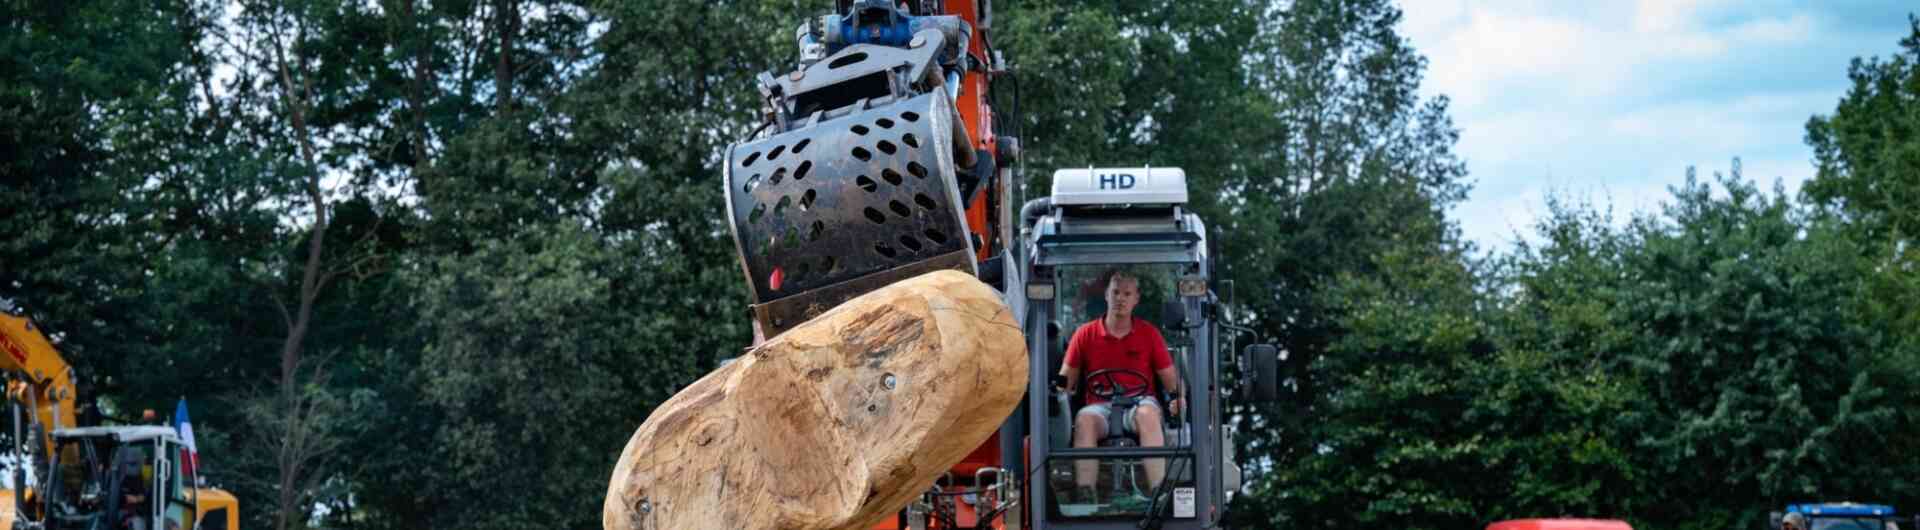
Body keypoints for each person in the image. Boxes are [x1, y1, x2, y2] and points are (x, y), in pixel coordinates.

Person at [1057, 270, 1183, 503]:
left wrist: (1179, 398)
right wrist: (1055, 395)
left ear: (1136, 299)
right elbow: (1066, 379)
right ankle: (1086, 493)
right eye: (1115, 292)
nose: (1120, 298)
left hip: (1140, 403)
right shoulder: (1085, 334)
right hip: (1099, 406)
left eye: (1127, 293)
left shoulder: (1149, 334)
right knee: (1084, 420)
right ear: (1106, 295)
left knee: (1147, 415)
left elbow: (1171, 381)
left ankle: (1159, 492)